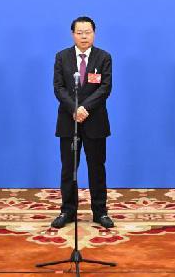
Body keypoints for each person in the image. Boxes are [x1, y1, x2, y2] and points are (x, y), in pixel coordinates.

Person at [50, 16, 115, 229]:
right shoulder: (62, 57)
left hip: (95, 121)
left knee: (97, 168)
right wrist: (74, 109)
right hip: (69, 121)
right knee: (69, 169)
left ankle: (100, 212)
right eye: (79, 32)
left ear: (94, 33)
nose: (84, 36)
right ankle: (67, 211)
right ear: (73, 34)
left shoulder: (103, 57)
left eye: (88, 32)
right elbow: (59, 87)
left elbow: (105, 88)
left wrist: (85, 108)